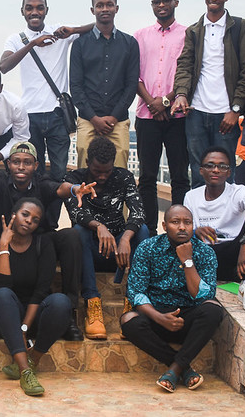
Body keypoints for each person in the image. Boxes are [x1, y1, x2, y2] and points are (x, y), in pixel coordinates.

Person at [0, 141, 89, 341]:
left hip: (40, 242)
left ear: (36, 166)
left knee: (71, 236)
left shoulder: (42, 181)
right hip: (5, 239)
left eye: (27, 162)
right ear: (8, 165)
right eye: (16, 162)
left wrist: (74, 189)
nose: (21, 167)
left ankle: (69, 314)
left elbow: (59, 189)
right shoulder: (0, 180)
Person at [121, 205, 224, 393]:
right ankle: (184, 368)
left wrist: (188, 261)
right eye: (175, 222)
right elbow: (136, 291)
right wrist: (160, 318)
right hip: (157, 316)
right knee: (128, 320)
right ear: (164, 225)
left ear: (193, 226)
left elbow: (203, 295)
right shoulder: (148, 247)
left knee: (213, 309)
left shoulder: (205, 252)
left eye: (187, 222)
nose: (182, 227)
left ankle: (175, 369)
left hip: (189, 319)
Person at [0, 0, 93, 180]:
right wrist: (32, 43)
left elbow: (96, 26)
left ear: (46, 10)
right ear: (22, 11)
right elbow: (3, 66)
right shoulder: (16, 39)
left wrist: (72, 31)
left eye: (39, 8)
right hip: (30, 115)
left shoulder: (58, 31)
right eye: (29, 8)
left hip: (57, 114)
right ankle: (36, 210)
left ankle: (54, 211)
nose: (34, 12)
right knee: (34, 172)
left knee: (59, 173)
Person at [172, 0, 245, 187]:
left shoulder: (240, 27)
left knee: (226, 175)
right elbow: (185, 65)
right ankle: (200, 221)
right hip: (196, 112)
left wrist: (235, 109)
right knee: (199, 174)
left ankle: (224, 221)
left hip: (226, 115)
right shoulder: (194, 30)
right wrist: (181, 94)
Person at [0, 198, 73, 396]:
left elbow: (41, 290)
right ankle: (26, 371)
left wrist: (24, 328)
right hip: (4, 315)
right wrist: (4, 247)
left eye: (35, 219)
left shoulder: (44, 244)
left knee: (61, 302)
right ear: (14, 215)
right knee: (3, 295)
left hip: (33, 315)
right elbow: (1, 287)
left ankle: (34, 359)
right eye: (25, 215)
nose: (28, 221)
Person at [64, 136, 149, 340]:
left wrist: (126, 238)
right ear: (87, 163)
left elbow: (138, 212)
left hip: (120, 252)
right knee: (78, 231)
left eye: (107, 171)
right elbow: (76, 213)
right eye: (97, 171)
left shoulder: (124, 177)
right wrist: (99, 226)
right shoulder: (73, 180)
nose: (102, 176)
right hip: (90, 250)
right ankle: (92, 304)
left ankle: (132, 304)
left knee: (143, 231)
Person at [183, 146, 245, 313]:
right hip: (206, 258)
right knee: (183, 235)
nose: (216, 170)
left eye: (222, 166)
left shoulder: (238, 192)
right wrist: (195, 231)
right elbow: (182, 229)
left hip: (237, 258)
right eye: (210, 165)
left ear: (229, 172)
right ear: (201, 170)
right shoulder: (191, 196)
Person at [134, 0, 190, 233]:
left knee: (179, 176)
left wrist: (165, 101)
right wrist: (152, 103)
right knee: (147, 176)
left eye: (166, 0)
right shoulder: (140, 35)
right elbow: (133, 75)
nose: (161, 5)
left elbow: (189, 74)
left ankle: (178, 229)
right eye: (156, 1)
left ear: (176, 3)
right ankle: (149, 230)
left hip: (177, 116)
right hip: (146, 116)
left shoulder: (189, 35)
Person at [70, 0, 139, 169]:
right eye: (99, 5)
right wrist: (94, 118)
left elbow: (131, 85)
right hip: (88, 118)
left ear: (117, 8)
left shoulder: (130, 43)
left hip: (118, 118)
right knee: (84, 153)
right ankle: (84, 198)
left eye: (109, 4)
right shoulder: (79, 45)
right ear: (92, 10)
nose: (105, 9)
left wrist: (114, 117)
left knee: (122, 157)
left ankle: (119, 198)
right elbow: (76, 86)